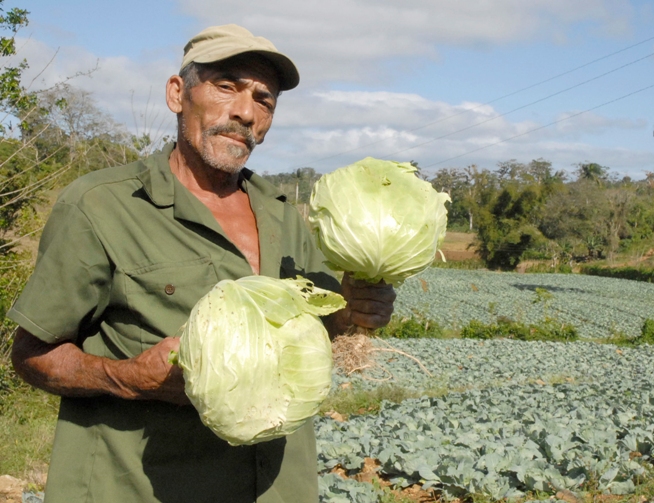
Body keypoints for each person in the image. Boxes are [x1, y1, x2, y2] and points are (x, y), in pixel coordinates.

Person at [9, 24, 395, 503]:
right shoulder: (100, 206)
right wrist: (129, 378)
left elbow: (323, 328)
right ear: (177, 93)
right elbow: (30, 355)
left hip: (274, 486)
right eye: (226, 85)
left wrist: (354, 310)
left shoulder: (283, 216)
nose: (244, 112)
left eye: (264, 99)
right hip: (139, 486)